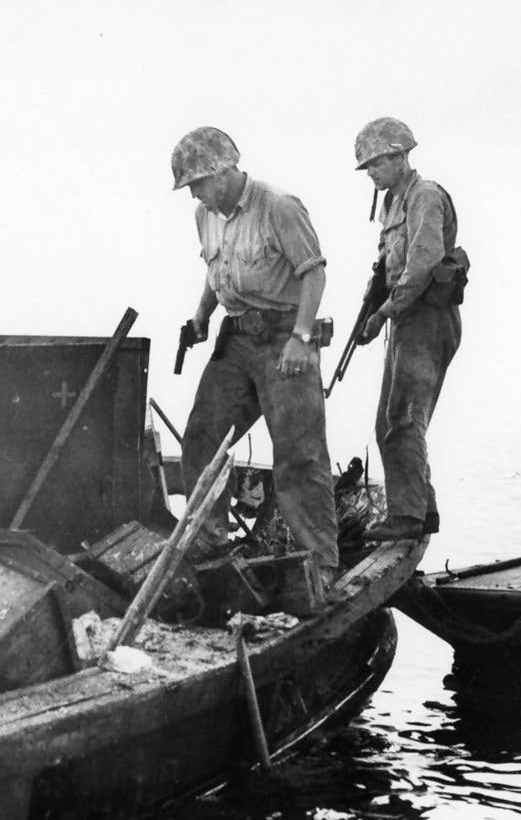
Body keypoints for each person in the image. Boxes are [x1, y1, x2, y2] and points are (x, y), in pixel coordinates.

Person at [170, 126, 340, 586]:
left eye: (198, 185)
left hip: (284, 333)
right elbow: (215, 270)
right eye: (190, 188)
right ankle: (209, 551)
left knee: (299, 455)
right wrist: (202, 317)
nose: (195, 196)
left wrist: (302, 338)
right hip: (237, 337)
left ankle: (319, 565)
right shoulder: (205, 216)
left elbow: (314, 274)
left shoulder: (278, 206)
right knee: (202, 440)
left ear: (222, 172)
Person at [351, 117, 469, 542]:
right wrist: (376, 307)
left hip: (427, 320)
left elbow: (421, 264)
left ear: (400, 156)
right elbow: (390, 266)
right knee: (392, 422)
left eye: (376, 163)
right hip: (405, 319)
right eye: (367, 167)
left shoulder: (425, 197)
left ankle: (407, 518)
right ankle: (423, 509)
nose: (371, 172)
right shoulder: (393, 201)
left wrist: (383, 312)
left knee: (401, 420)